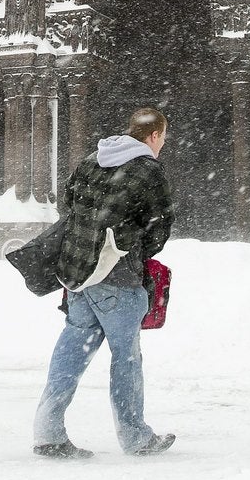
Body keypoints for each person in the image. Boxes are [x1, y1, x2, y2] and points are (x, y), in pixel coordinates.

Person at [33, 107, 177, 460]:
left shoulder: (91, 160)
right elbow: (160, 225)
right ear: (155, 135)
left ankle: (48, 433)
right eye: (163, 138)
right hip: (119, 276)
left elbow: (68, 207)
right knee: (126, 357)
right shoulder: (148, 169)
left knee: (72, 352)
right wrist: (135, 247)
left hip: (77, 274)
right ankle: (135, 437)